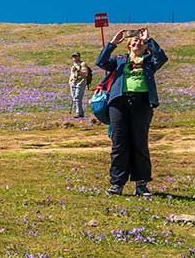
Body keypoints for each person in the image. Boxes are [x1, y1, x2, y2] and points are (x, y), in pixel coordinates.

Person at [97, 28, 168, 196]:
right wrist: (113, 43)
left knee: (140, 143)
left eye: (141, 42)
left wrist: (149, 39)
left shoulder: (150, 61)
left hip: (142, 103)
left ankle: (141, 185)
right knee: (119, 143)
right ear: (128, 46)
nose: (137, 43)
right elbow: (101, 62)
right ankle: (117, 184)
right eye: (134, 42)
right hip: (118, 103)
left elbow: (162, 58)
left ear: (145, 47)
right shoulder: (120, 60)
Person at [69, 52, 93, 119]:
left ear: (79, 57)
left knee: (77, 97)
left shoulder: (83, 64)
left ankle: (78, 113)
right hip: (73, 82)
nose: (74, 58)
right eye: (73, 56)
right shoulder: (74, 65)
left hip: (81, 82)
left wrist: (78, 71)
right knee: (74, 98)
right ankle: (80, 112)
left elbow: (85, 74)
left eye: (76, 56)